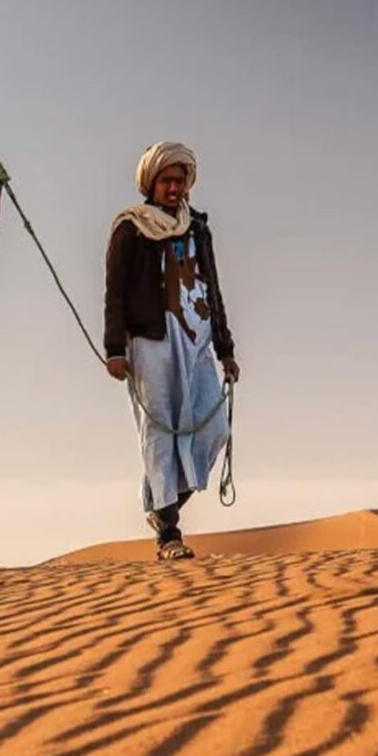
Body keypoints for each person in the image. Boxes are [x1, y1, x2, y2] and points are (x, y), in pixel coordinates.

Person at [104, 142, 239, 560]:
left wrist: (225, 348)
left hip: (197, 340)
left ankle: (162, 508)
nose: (175, 187)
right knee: (159, 434)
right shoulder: (131, 229)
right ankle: (169, 535)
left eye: (181, 180)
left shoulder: (198, 228)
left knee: (213, 430)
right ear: (152, 182)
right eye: (167, 179)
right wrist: (114, 347)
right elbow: (115, 293)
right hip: (150, 340)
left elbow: (212, 288)